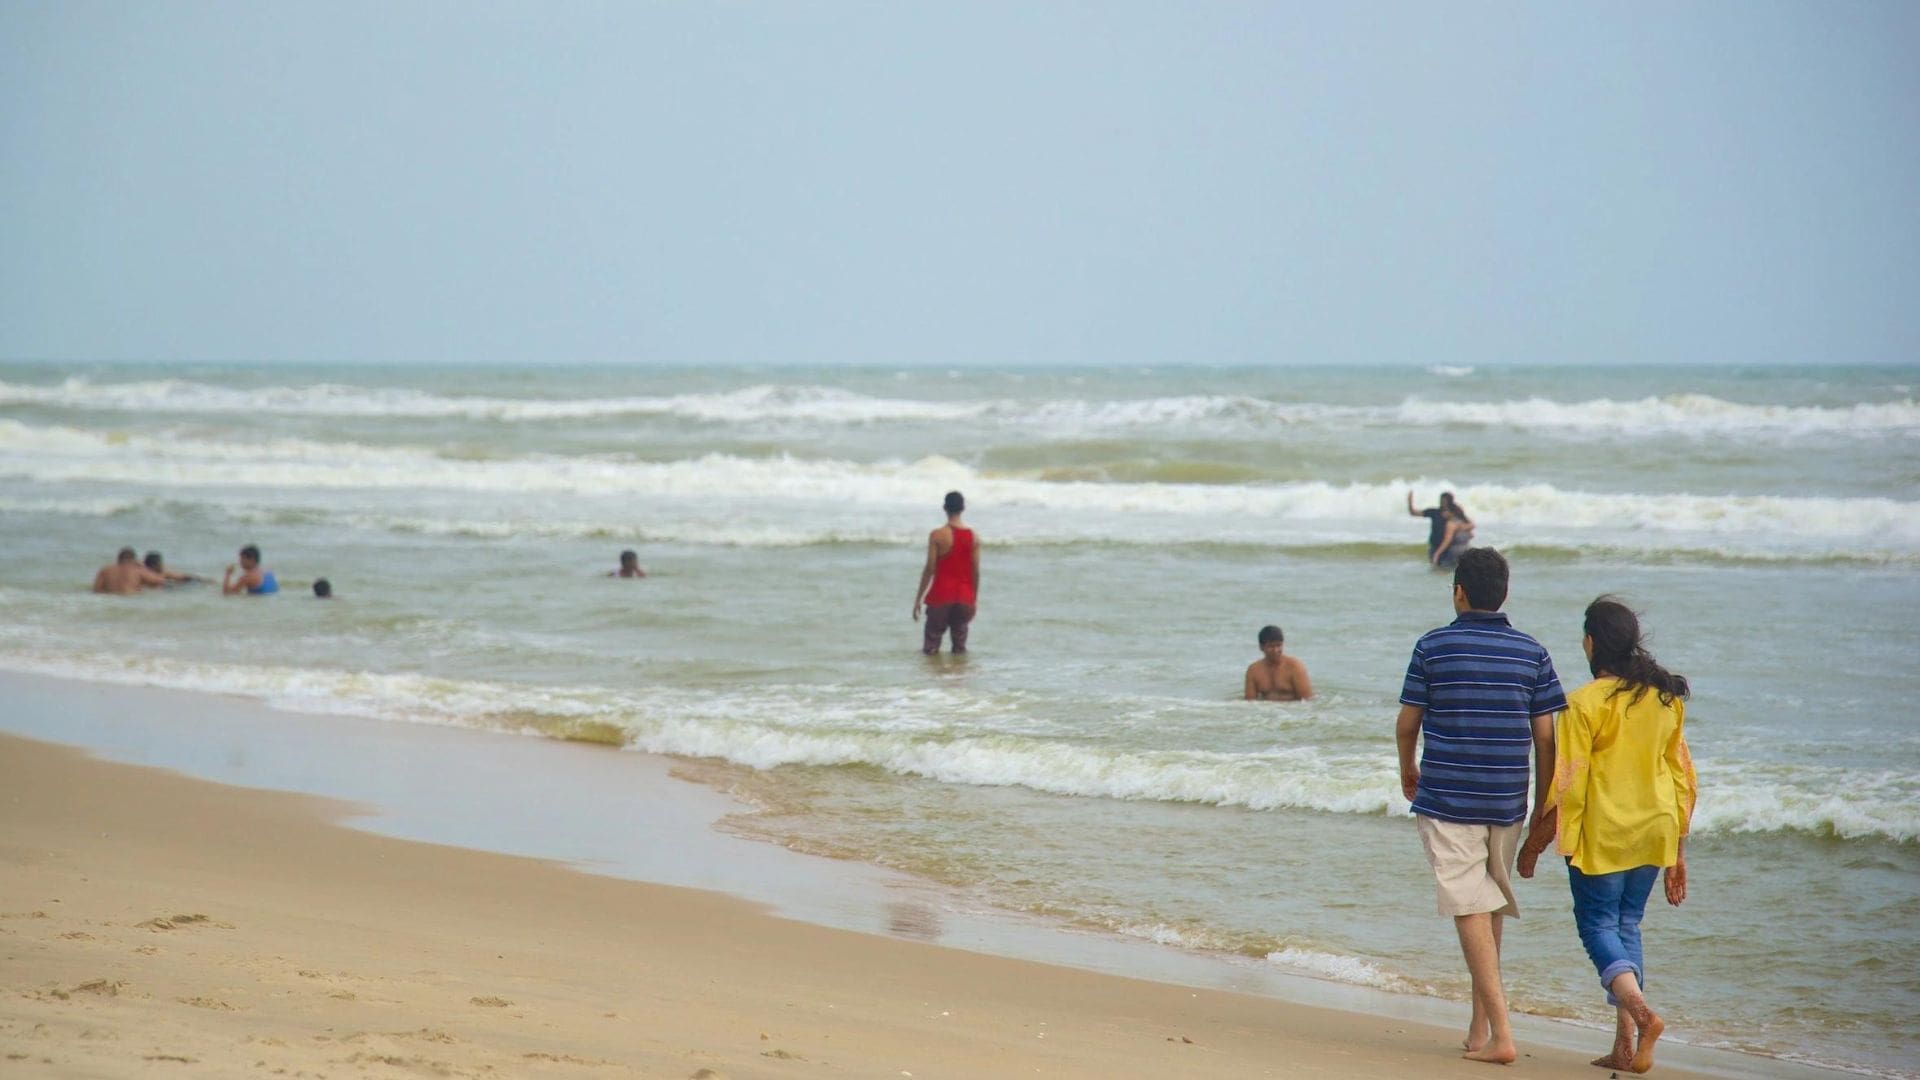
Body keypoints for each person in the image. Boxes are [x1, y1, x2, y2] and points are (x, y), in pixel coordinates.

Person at [1394, 547, 1566, 1064]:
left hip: (1448, 796)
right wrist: (1543, 803)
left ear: (1459, 592)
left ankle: (1504, 1035)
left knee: (1469, 905)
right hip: (1507, 800)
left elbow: (1408, 722)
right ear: (1505, 594)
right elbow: (1546, 738)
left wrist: (1407, 767)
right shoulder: (1531, 652)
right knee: (1485, 901)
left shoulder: (1433, 646)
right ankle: (1479, 1028)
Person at [1517, 597, 1695, 1074]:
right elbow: (1682, 777)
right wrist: (1678, 851)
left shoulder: (1582, 703)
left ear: (1591, 643)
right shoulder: (1665, 698)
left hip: (1606, 832)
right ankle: (1625, 1046)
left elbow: (1567, 782)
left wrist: (1534, 844)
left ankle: (1643, 1016)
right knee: (1627, 925)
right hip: (1655, 828)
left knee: (1597, 927)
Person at [913, 491, 979, 655]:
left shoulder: (937, 535)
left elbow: (930, 569)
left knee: (931, 648)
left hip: (940, 597)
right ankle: (958, 678)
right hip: (964, 598)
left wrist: (918, 599)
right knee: (959, 648)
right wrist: (973, 599)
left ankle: (934, 680)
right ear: (963, 508)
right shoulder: (974, 537)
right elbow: (975, 572)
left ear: (944, 507)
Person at [1244, 625, 1313, 701]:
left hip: (1292, 711)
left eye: (1279, 645)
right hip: (1266, 711)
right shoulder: (1253, 670)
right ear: (1261, 647)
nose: (1275, 650)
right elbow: (1250, 702)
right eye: (1270, 646)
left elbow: (1307, 701)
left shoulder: (1295, 667)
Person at [1408, 490, 1474, 569]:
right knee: (1435, 569)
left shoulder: (1455, 513)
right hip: (1435, 545)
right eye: (1441, 501)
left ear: (1450, 502)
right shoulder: (1434, 512)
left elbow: (1471, 524)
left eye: (1445, 501)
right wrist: (1410, 502)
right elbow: (1414, 513)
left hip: (1449, 547)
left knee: (1447, 569)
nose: (1442, 503)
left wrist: (1459, 527)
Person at [92, 547, 168, 594]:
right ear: (133, 560)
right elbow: (160, 581)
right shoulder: (137, 570)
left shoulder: (104, 570)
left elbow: (96, 590)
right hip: (130, 599)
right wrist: (144, 567)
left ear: (118, 559)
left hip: (112, 599)